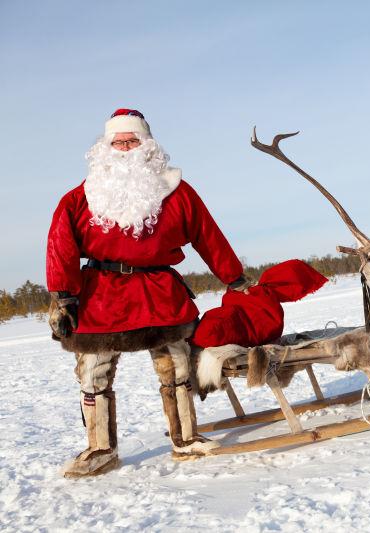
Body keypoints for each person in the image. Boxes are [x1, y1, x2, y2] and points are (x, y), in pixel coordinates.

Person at [46, 108, 252, 478]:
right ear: (106, 148)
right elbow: (60, 244)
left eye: (132, 140)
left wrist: (234, 278)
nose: (125, 148)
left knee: (177, 367)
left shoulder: (177, 191)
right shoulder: (81, 197)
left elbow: (208, 235)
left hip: (159, 291)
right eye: (118, 141)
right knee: (92, 374)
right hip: (101, 295)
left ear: (147, 145)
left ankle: (185, 437)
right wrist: (63, 296)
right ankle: (100, 449)